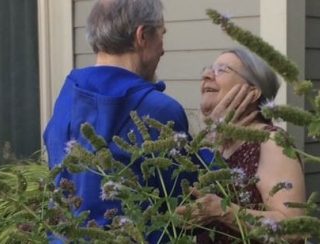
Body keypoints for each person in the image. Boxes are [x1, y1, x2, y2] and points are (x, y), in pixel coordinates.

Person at [43, 0, 215, 242]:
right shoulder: (158, 110)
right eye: (161, 35)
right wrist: (221, 131)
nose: (163, 50)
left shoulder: (68, 97)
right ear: (142, 36)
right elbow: (187, 203)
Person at [176, 46, 306, 243]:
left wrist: (223, 210)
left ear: (252, 92)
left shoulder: (270, 142)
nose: (207, 75)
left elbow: (293, 229)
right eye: (208, 69)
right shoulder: (213, 144)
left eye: (222, 70)